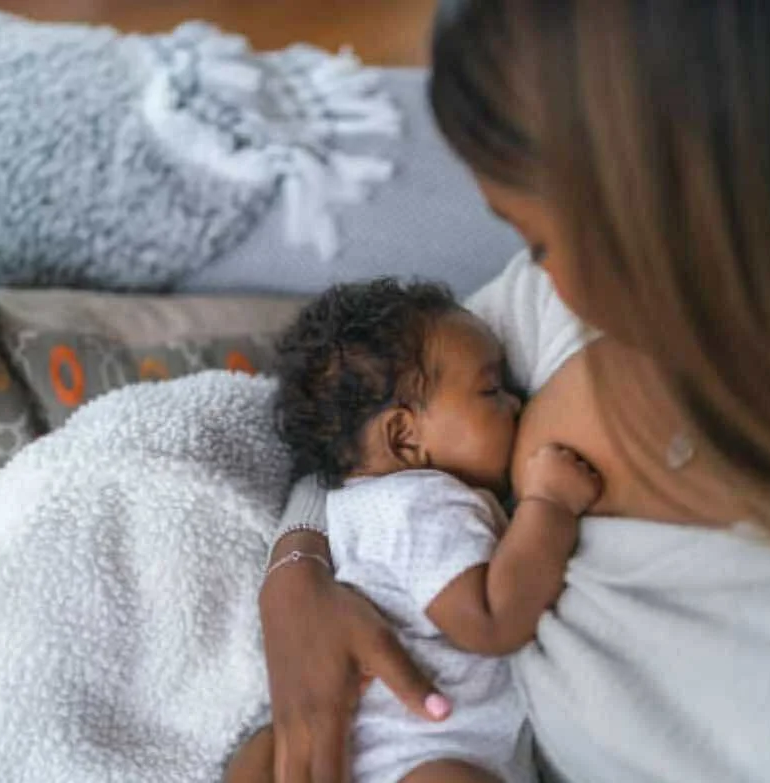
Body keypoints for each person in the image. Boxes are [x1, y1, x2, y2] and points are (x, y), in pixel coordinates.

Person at [256, 1, 770, 782]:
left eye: (542, 241)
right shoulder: (552, 321)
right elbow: (361, 416)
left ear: (654, 212)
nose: (540, 274)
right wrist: (296, 570)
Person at [228, 279, 599, 783]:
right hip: (430, 752)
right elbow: (491, 620)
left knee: (259, 756)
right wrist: (549, 505)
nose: (515, 403)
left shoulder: (353, 506)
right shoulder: (423, 504)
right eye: (491, 391)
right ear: (404, 437)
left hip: (345, 751)